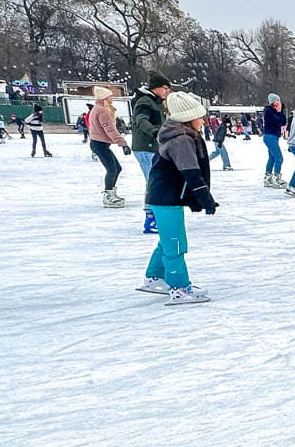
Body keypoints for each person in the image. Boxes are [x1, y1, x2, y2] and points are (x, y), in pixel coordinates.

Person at [136, 91, 217, 305]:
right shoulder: (181, 140)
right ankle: (179, 288)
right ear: (188, 118)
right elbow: (190, 172)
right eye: (199, 116)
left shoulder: (180, 134)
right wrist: (205, 198)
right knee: (175, 243)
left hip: (164, 195)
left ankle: (154, 277)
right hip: (166, 197)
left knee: (167, 240)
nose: (203, 120)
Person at [131, 72, 172, 234]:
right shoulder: (144, 101)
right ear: (156, 88)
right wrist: (154, 132)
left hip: (152, 147)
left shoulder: (155, 102)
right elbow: (140, 120)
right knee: (153, 182)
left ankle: (156, 215)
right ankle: (151, 218)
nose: (167, 91)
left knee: (156, 181)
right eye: (165, 88)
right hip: (145, 147)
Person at [88, 86, 131, 208]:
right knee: (112, 169)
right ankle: (108, 195)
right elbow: (110, 130)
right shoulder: (102, 110)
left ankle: (111, 192)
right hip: (99, 144)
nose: (112, 98)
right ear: (104, 98)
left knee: (117, 168)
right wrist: (123, 144)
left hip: (100, 144)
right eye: (110, 96)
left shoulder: (98, 108)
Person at [262, 94, 287, 188]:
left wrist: (281, 111)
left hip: (274, 137)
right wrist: (279, 112)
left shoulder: (276, 111)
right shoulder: (268, 111)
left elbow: (283, 122)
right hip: (270, 136)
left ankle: (268, 178)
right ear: (273, 102)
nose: (279, 103)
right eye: (277, 101)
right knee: (279, 158)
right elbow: (277, 122)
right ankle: (277, 178)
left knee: (272, 157)